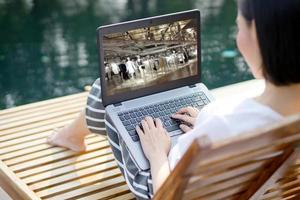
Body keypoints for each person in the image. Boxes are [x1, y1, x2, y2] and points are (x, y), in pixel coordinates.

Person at [47, 0, 300, 199]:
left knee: (106, 94)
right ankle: (73, 135)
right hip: (248, 186)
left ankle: (71, 137)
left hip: (159, 182)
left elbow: (166, 195)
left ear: (260, 36)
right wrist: (205, 126)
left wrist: (158, 152)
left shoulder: (223, 124)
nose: (237, 35)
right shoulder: (249, 122)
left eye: (239, 26)